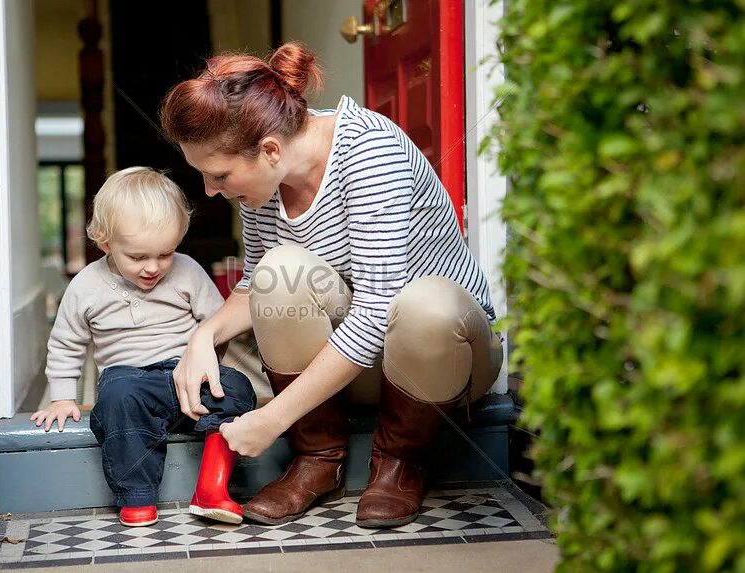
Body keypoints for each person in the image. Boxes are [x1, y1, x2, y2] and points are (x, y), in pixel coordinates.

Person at [160, 42, 503, 528]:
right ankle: (317, 459)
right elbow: (257, 282)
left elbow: (375, 311)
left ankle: (401, 461)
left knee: (425, 303)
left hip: (444, 364)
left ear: (271, 149)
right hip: (362, 369)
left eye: (218, 175)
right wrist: (204, 336)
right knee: (279, 271)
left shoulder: (369, 151)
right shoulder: (260, 184)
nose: (211, 191)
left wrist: (271, 418)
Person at [30, 167, 256, 526]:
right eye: (137, 257)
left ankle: (212, 486)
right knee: (117, 398)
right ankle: (137, 496)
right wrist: (61, 396)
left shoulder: (187, 271)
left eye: (165, 254)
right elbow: (66, 344)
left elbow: (218, 323)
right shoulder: (86, 286)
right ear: (105, 243)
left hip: (186, 376)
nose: (153, 267)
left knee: (237, 387)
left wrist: (210, 364)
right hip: (130, 380)